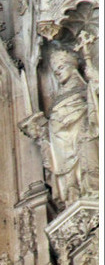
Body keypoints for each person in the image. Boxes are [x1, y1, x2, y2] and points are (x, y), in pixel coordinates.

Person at [47, 49, 98, 205]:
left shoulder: (83, 88)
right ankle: (71, 193)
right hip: (61, 142)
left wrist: (94, 80)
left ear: (72, 66)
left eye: (61, 67)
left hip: (80, 133)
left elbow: (95, 102)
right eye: (55, 71)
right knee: (67, 174)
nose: (57, 72)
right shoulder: (59, 96)